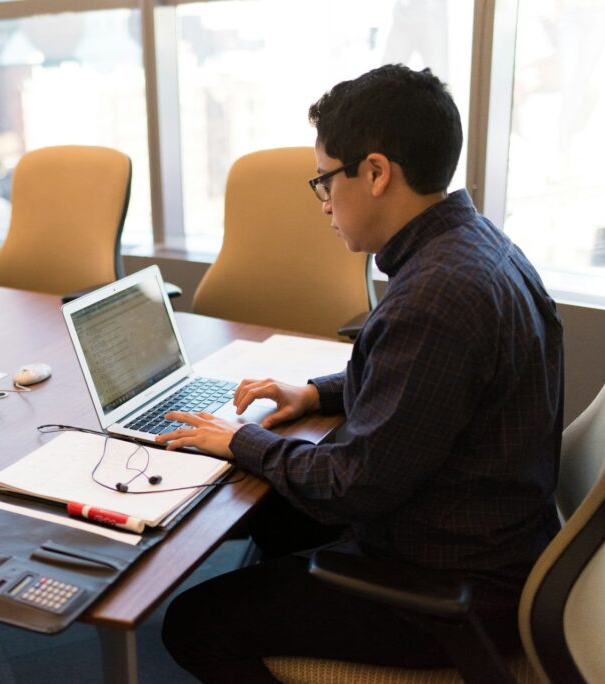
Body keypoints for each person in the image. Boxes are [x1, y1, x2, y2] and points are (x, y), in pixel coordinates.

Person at [157, 64, 563, 682]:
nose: (323, 203)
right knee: (265, 509)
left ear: (375, 173)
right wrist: (316, 392)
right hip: (488, 538)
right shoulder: (476, 249)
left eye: (324, 181)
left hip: (449, 586)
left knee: (193, 622)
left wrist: (241, 440)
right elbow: (429, 387)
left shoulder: (436, 297)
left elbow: (353, 484)